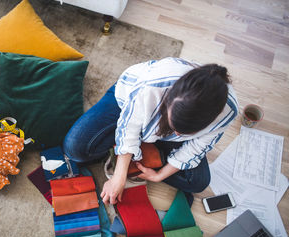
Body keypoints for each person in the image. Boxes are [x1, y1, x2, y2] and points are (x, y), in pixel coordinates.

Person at [63, 57, 238, 205]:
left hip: (156, 128)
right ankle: (146, 153)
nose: (176, 134)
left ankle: (144, 153)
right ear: (168, 99)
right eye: (174, 126)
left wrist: (159, 175)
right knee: (74, 148)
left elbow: (196, 148)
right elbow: (129, 126)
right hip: (127, 102)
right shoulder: (152, 85)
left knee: (199, 183)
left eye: (185, 132)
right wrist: (119, 176)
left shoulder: (227, 112)